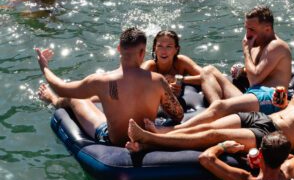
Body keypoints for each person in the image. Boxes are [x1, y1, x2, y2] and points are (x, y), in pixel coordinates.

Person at [126, 48, 294, 152]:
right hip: (264, 117)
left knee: (213, 135)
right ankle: (164, 132)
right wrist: (282, 101)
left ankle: (150, 141)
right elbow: (291, 107)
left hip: (274, 136)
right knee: (212, 120)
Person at [36, 27, 183, 146]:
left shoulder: (101, 81)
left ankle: (52, 100)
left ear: (119, 48)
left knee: (75, 99)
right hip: (146, 137)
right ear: (143, 52)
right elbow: (178, 115)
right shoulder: (157, 81)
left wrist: (44, 68)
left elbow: (60, 88)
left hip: (113, 141)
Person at [199, 5, 292, 114]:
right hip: (251, 97)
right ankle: (217, 111)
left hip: (267, 102)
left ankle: (218, 111)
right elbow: (257, 73)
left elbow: (254, 80)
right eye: (246, 29)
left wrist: (246, 51)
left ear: (267, 29)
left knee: (220, 106)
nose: (247, 35)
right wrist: (242, 71)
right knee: (207, 71)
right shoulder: (257, 44)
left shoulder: (276, 46)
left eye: (252, 29)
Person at [199, 133, 294, 180]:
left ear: (260, 152)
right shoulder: (291, 169)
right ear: (284, 157)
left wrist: (223, 146)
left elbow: (205, 158)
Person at [142, 30, 203, 97]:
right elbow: (134, 83)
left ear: (176, 49)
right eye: (160, 46)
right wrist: (163, 87)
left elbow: (206, 76)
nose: (164, 51)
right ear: (154, 49)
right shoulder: (150, 66)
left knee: (210, 69)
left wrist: (179, 79)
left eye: (169, 46)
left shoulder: (181, 62)